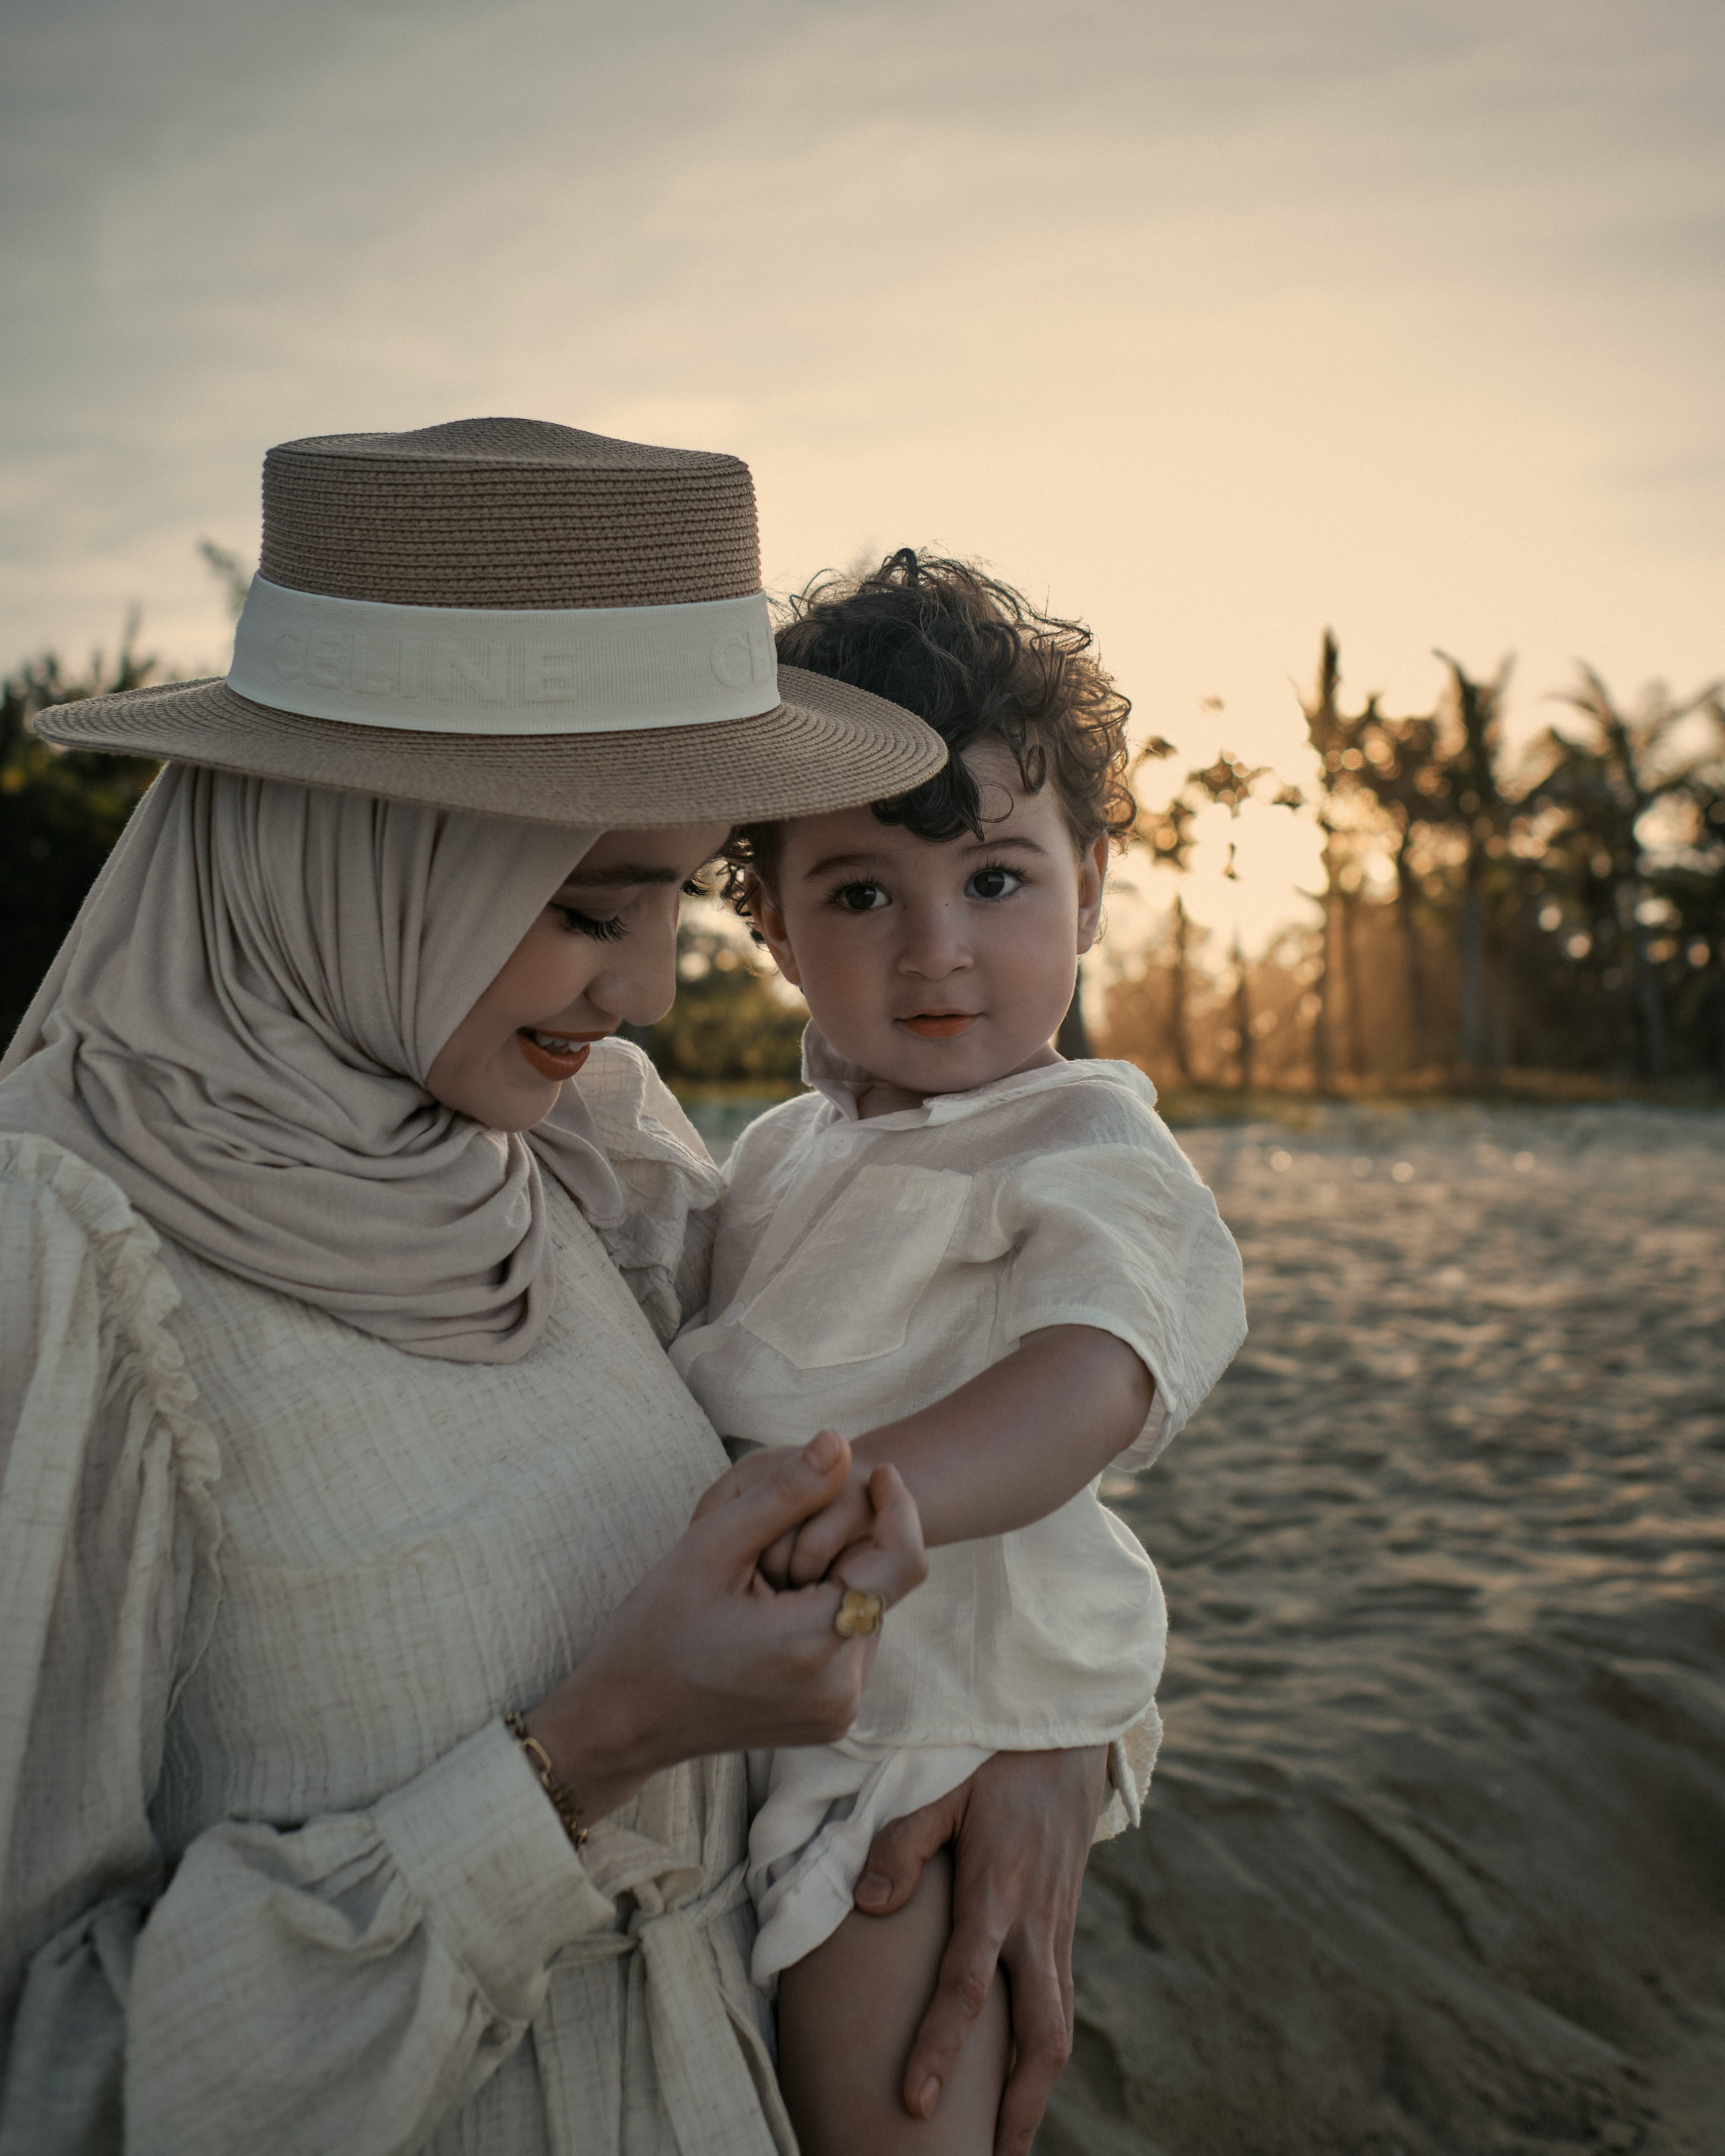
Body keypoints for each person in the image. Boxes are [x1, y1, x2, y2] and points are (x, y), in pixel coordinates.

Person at [0, 422, 1123, 2156]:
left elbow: (948, 1374)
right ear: (368, 854)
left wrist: (1044, 1741)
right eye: (593, 903)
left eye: (677, 894)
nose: (658, 988)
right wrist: (585, 1755)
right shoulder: (65, 1275)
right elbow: (43, 2067)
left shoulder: (575, 1149)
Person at [670, 553, 1247, 2154]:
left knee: (892, 2084)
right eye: (861, 893)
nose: (934, 949)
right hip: (789, 1689)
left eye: (994, 879)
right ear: (772, 926)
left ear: (1090, 889)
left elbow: (1098, 1370)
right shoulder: (781, 1151)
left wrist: (881, 1491)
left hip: (941, 1717)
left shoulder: (1080, 1140)